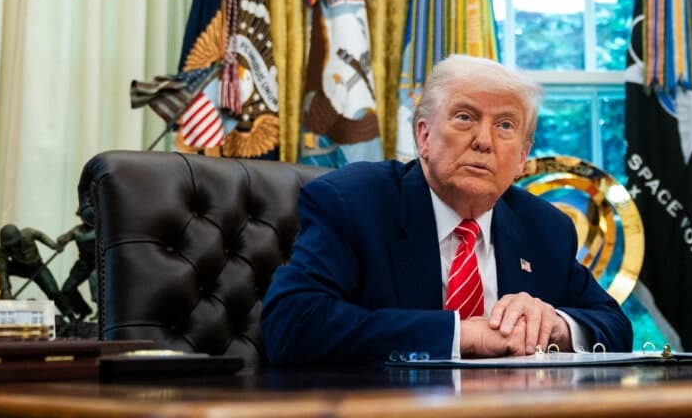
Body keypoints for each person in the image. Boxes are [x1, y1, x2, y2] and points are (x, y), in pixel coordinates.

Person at [261, 54, 632, 364]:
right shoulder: (352, 203)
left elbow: (614, 325)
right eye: (465, 117)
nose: (484, 141)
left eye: (505, 125)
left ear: (522, 158)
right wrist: (461, 335)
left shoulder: (544, 227)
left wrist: (554, 326)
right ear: (423, 136)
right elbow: (293, 323)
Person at [0, 223, 76, 319]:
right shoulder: (3, 249)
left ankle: (71, 316)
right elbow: (1, 267)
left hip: (37, 268)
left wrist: (54, 246)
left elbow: (41, 236)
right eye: (10, 245)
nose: (12, 246)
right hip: (20, 268)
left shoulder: (28, 233)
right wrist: (5, 290)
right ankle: (6, 298)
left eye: (15, 243)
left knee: (53, 292)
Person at [56, 207, 97, 320]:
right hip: (83, 265)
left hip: (99, 265)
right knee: (67, 288)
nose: (84, 219)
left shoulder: (103, 229)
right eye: (82, 217)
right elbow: (63, 238)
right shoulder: (77, 230)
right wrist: (61, 242)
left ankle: (103, 312)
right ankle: (83, 310)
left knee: (97, 282)